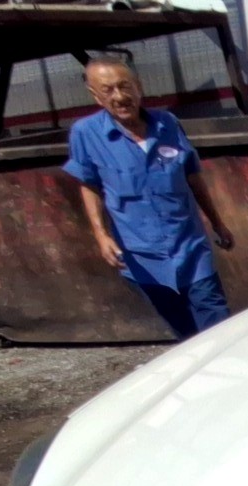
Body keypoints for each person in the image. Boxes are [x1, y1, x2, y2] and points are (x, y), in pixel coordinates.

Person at [64, 57, 235, 340]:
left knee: (219, 326)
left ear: (139, 87)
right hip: (142, 256)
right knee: (186, 334)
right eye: (108, 90)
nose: (119, 96)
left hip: (190, 248)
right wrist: (101, 235)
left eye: (125, 86)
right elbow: (89, 185)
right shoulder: (85, 133)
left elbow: (193, 176)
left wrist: (218, 223)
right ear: (95, 95)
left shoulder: (167, 124)